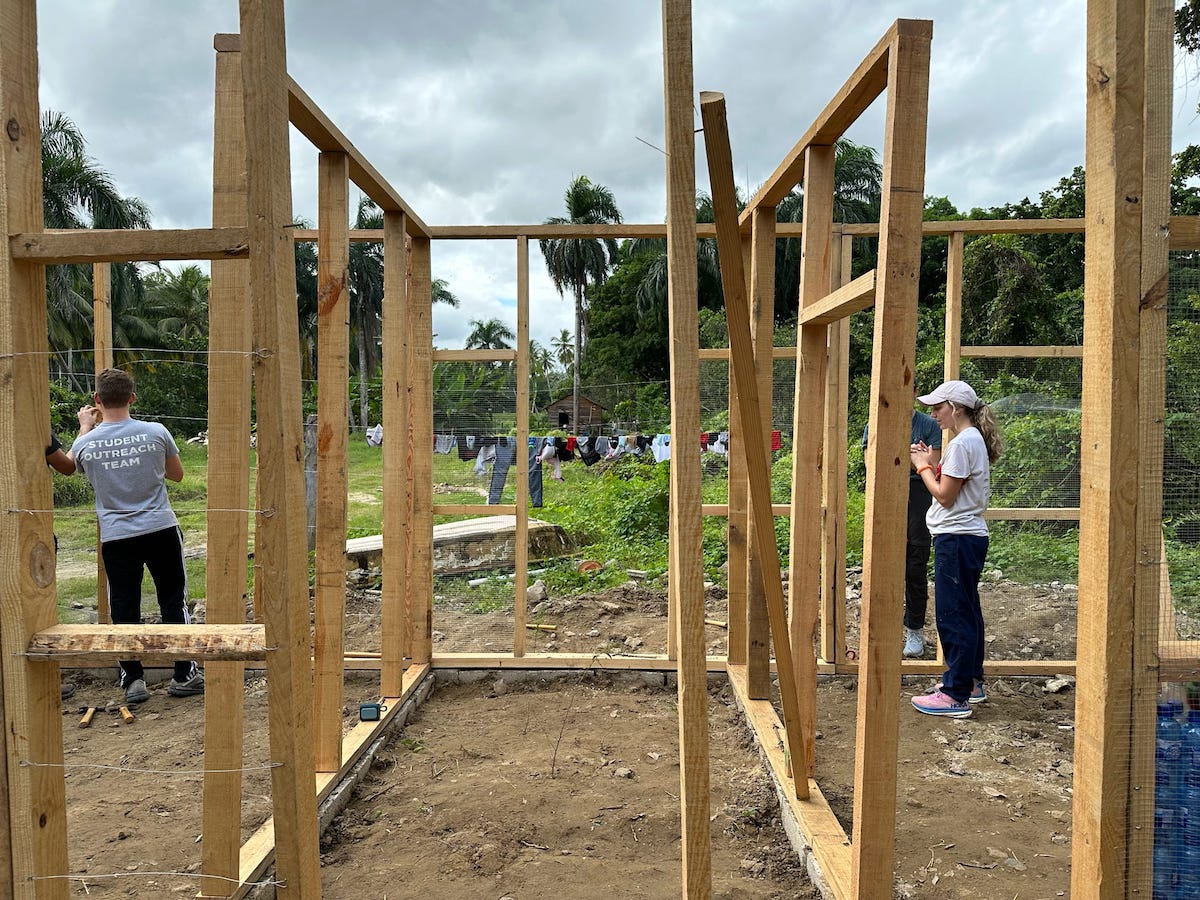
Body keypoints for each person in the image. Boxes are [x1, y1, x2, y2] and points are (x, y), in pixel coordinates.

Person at [69, 368, 204, 704]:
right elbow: (176, 475)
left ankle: (132, 680)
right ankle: (184, 672)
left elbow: (73, 465)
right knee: (173, 601)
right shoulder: (156, 432)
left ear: (98, 401)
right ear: (132, 398)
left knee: (124, 606)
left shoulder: (85, 442)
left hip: (117, 537)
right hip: (160, 529)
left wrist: (86, 426)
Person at [907, 379, 1003, 719]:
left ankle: (955, 694)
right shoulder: (968, 440)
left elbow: (945, 496)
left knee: (953, 615)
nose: (933, 414)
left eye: (938, 407)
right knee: (967, 611)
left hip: (957, 537)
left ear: (957, 409)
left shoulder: (964, 443)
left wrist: (921, 466)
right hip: (965, 536)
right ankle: (971, 683)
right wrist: (930, 462)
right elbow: (953, 488)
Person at [862, 385, 942, 658]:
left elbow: (933, 465)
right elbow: (870, 463)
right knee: (882, 564)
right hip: (884, 495)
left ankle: (914, 631)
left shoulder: (928, 424)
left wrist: (907, 459)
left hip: (919, 497)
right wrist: (908, 457)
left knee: (915, 564)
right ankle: (878, 633)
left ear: (914, 392)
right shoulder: (876, 423)